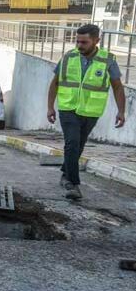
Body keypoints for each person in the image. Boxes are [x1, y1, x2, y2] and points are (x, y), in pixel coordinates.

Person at [47, 24, 126, 200]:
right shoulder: (69, 57)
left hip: (91, 111)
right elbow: (55, 82)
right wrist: (50, 107)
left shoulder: (108, 60)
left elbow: (118, 87)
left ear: (96, 41)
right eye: (77, 41)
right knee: (72, 143)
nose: (79, 45)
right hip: (68, 108)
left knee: (79, 144)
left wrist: (121, 112)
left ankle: (65, 172)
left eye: (84, 42)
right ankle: (72, 184)